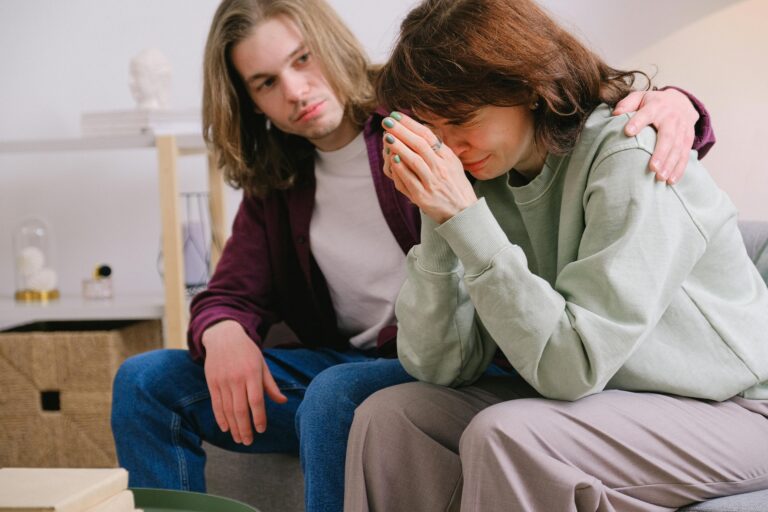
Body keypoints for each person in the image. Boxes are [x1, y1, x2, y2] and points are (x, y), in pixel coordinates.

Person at [110, 1, 714, 511]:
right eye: (265, 82)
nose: (295, 91)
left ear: (331, 44)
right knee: (144, 381)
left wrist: (678, 104)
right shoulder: (280, 176)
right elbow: (230, 290)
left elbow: (571, 120)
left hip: (467, 355)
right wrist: (221, 331)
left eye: (302, 59)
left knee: (338, 393)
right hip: (362, 359)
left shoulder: (425, 117)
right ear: (249, 100)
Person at [343, 0, 768, 510]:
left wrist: (465, 219)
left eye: (460, 120)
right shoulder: (484, 172)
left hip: (735, 409)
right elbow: (440, 366)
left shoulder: (630, 156)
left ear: (524, 86)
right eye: (434, 128)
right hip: (612, 399)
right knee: (390, 417)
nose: (448, 146)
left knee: (509, 434)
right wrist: (439, 218)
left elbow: (573, 366)